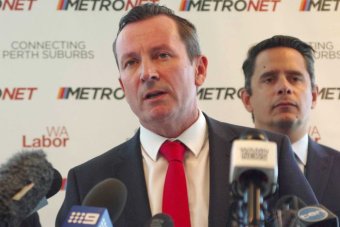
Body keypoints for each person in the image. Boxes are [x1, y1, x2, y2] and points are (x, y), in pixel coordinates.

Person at [56, 5, 317, 227]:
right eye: (131, 62)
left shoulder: (267, 151)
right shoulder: (89, 182)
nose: (147, 73)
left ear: (200, 70)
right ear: (123, 86)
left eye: (162, 55)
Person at [241, 35, 340, 217]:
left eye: (295, 78)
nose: (284, 87)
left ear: (314, 96)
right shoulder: (221, 169)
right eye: (269, 79)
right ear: (247, 99)